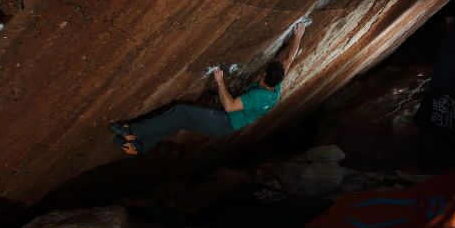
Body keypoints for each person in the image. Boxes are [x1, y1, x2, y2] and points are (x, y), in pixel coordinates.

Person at [110, 22, 307, 155]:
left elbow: (230, 106)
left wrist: (220, 81)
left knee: (180, 112)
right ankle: (138, 146)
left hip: (223, 122)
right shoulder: (275, 87)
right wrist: (299, 35)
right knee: (178, 119)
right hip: (225, 123)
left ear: (264, 76)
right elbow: (289, 59)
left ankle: (133, 132)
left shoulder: (258, 96)